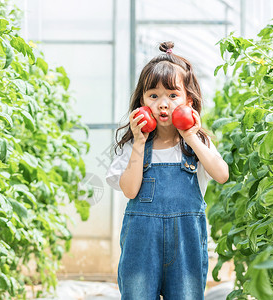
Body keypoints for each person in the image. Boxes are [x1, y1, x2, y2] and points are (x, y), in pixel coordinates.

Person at [105, 41, 229, 299]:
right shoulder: (132, 145)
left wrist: (192, 136)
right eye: (154, 96)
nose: (163, 104)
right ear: (141, 102)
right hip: (142, 248)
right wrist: (139, 142)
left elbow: (221, 174)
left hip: (186, 247)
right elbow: (129, 190)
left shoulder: (196, 144)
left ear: (189, 101)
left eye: (173, 96)